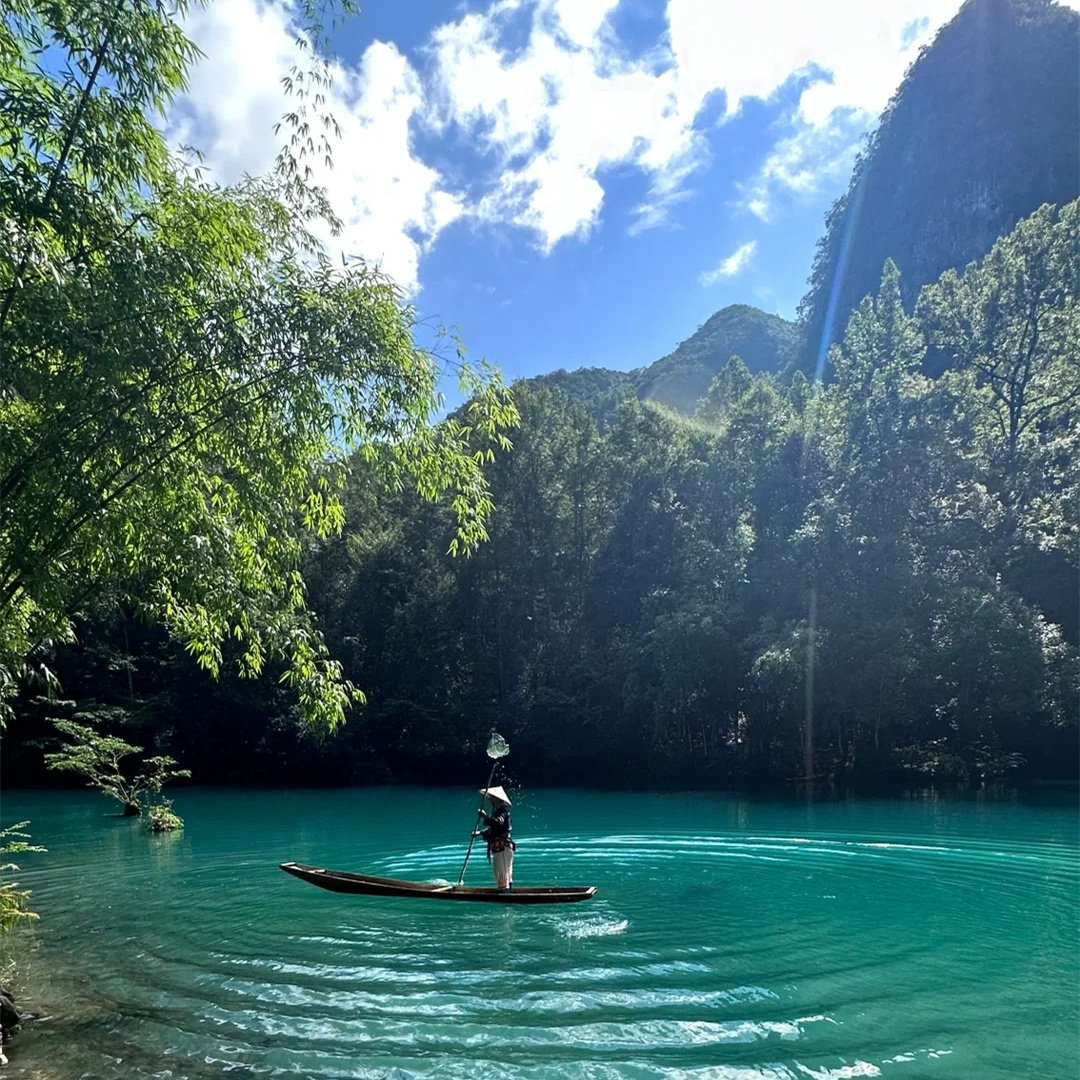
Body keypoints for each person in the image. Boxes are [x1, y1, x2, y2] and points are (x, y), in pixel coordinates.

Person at [474, 786, 515, 891]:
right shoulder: (499, 811)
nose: (489, 799)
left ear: (496, 799)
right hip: (503, 847)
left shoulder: (502, 811)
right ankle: (508, 893)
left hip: (502, 847)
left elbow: (497, 824)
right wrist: (480, 833)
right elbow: (496, 830)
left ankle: (505, 894)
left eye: (491, 797)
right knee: (505, 873)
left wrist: (485, 817)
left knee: (502, 873)